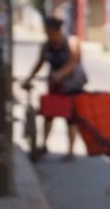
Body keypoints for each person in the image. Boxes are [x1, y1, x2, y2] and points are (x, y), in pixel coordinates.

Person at [23, 15, 88, 160]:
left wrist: (60, 74)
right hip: (55, 85)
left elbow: (73, 62)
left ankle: (71, 151)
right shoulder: (46, 45)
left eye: (49, 32)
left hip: (72, 85)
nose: (48, 35)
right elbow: (39, 63)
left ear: (56, 30)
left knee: (70, 118)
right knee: (48, 115)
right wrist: (30, 77)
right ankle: (44, 145)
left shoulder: (72, 42)